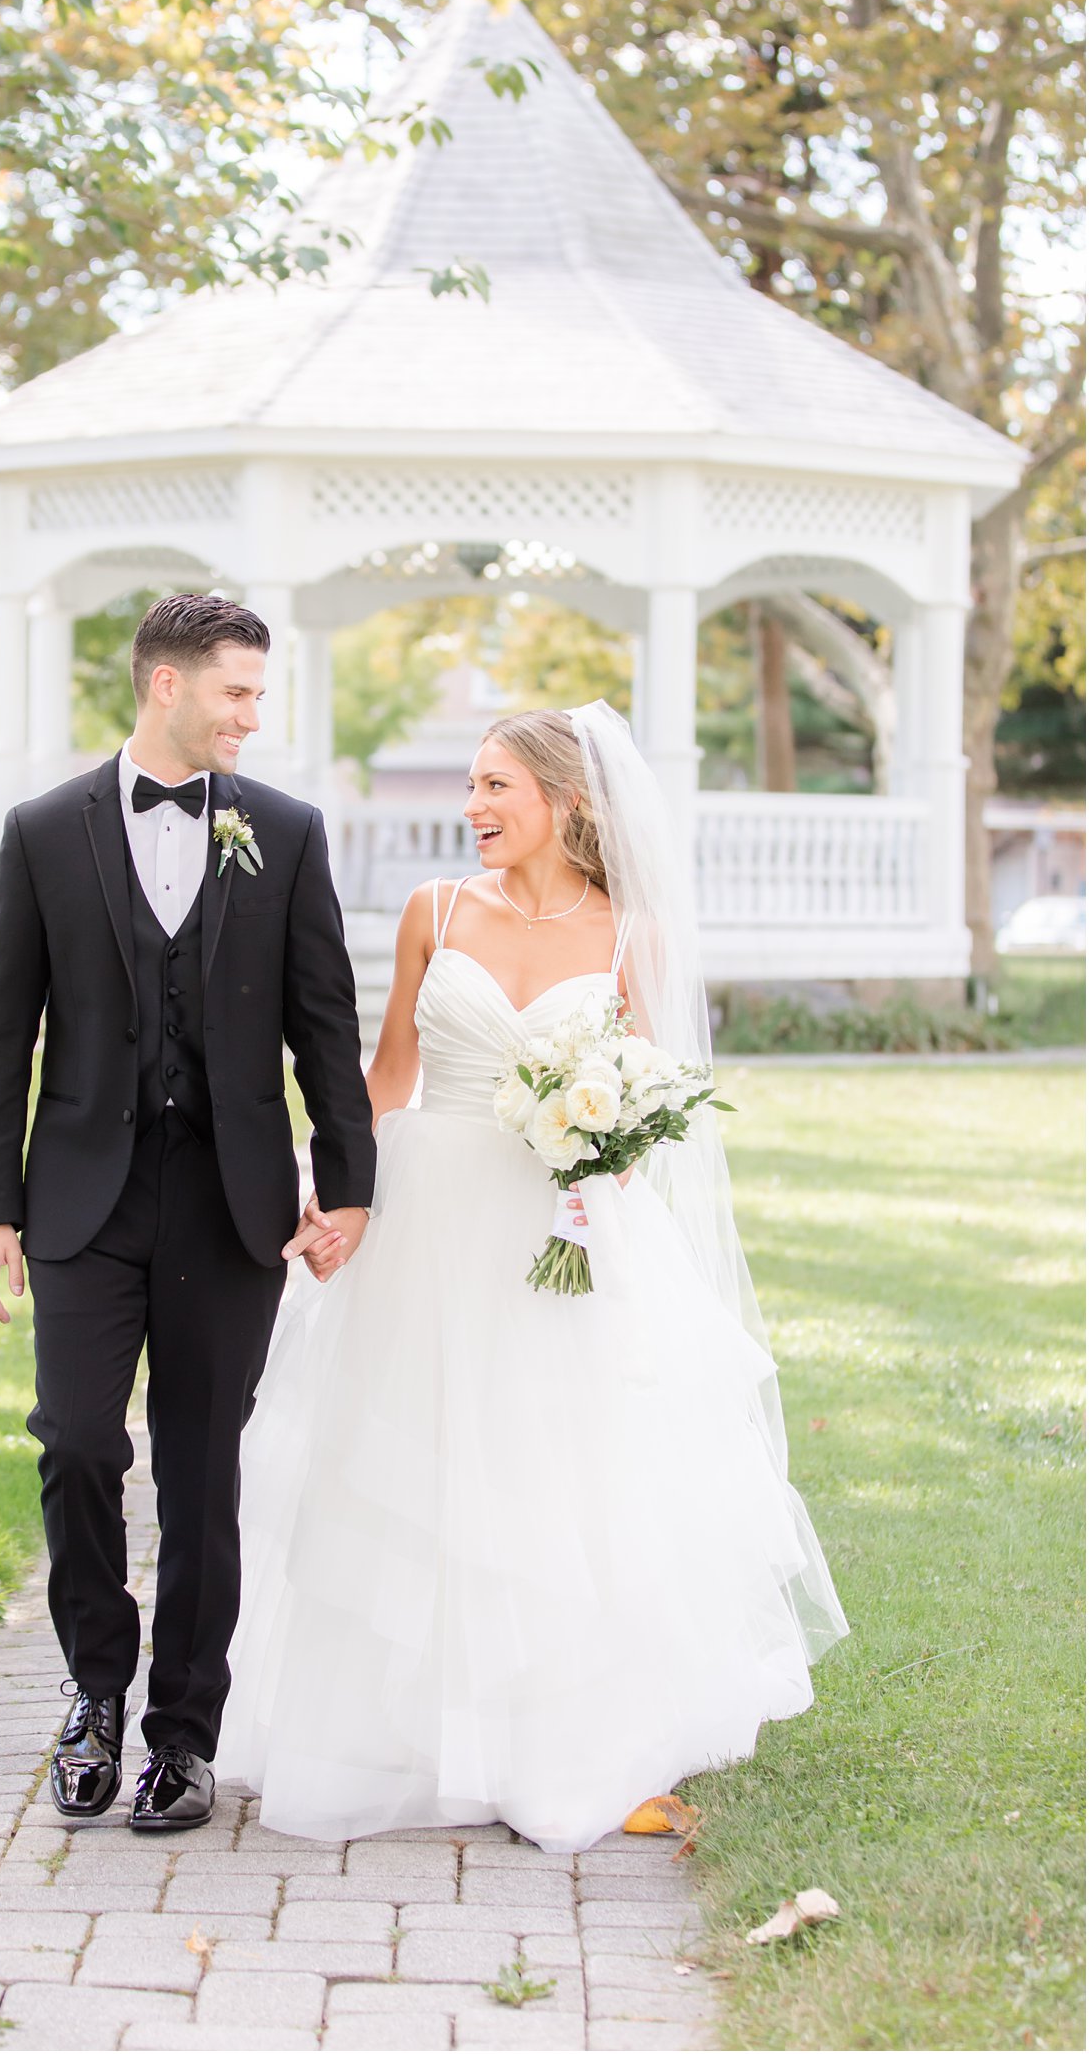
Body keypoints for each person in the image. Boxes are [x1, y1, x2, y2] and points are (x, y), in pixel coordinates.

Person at [216, 701, 849, 1852]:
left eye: (495, 787)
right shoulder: (432, 911)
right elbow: (386, 1071)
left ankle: (551, 1740)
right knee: (417, 1461)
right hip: (426, 1217)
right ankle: (410, 1736)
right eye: (468, 786)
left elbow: (658, 1100)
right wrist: (338, 1192)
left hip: (567, 1227)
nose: (473, 809)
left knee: (551, 1473)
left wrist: (597, 1140)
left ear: (565, 802)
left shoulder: (628, 937)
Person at [0, 593, 374, 1834]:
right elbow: (2, 1034)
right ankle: (92, 1693)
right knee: (78, 1442)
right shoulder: (42, 832)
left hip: (231, 1209)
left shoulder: (283, 834)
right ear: (165, 688)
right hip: (79, 1204)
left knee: (201, 1475)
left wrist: (345, 1184)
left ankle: (183, 1735)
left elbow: (324, 1024)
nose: (255, 715)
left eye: (256, 693)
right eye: (237, 692)